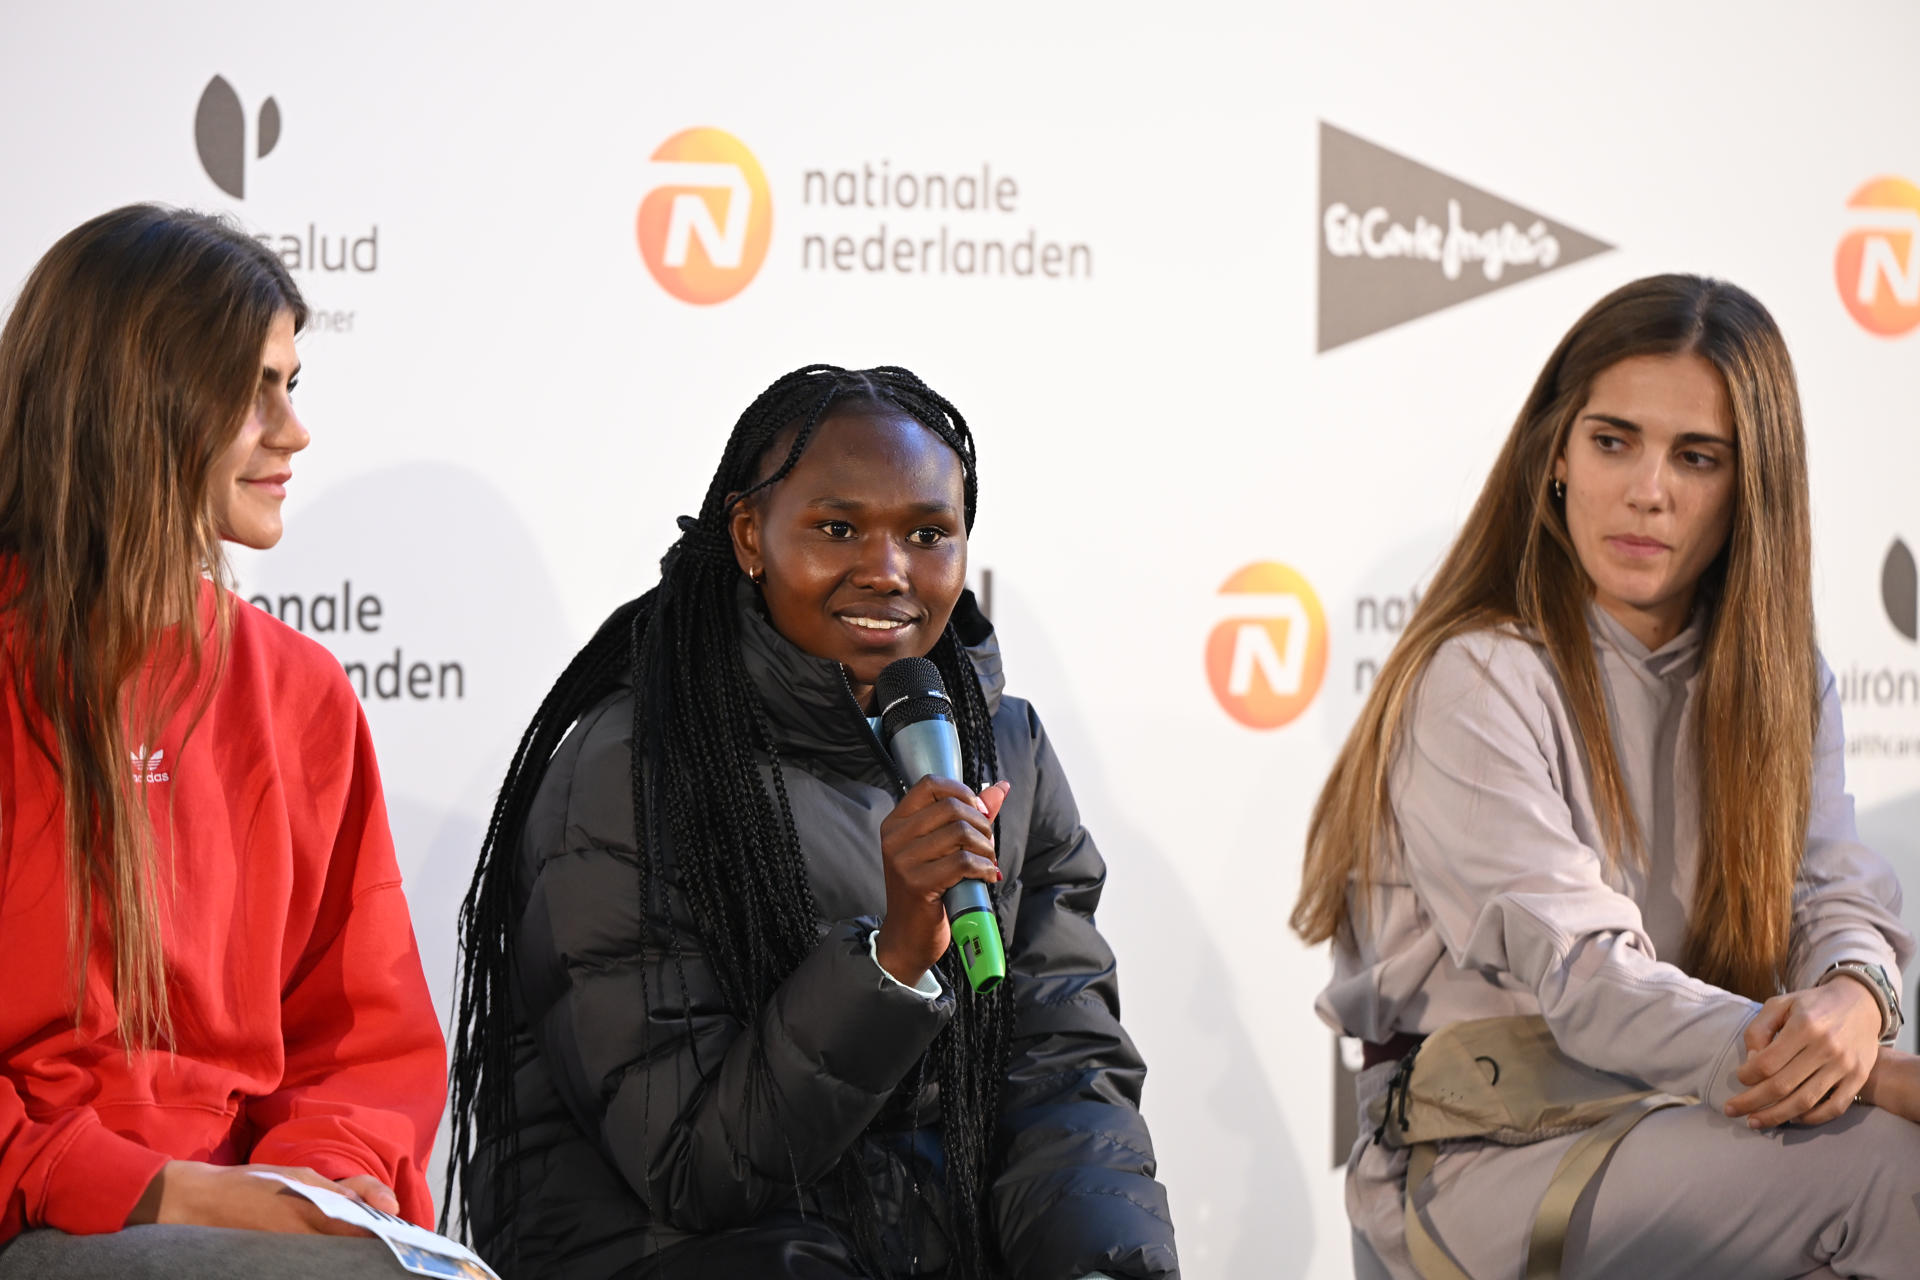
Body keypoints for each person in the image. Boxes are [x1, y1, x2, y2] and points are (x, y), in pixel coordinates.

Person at [444, 365, 1178, 1280]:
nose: (887, 571)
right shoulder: (630, 766)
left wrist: (1096, 1264)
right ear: (750, 537)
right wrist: (893, 961)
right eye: (838, 529)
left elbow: (1065, 1067)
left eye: (927, 534)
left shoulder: (1004, 750)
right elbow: (693, 1167)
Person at [1292, 273, 1920, 1279]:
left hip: (1689, 1117)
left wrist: (1856, 995)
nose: (1648, 489)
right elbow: (1587, 978)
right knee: (1894, 1170)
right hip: (1487, 1154)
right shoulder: (1480, 672)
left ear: (1749, 486)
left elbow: (1833, 889)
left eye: (1696, 456)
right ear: (1556, 454)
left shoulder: (1781, 679)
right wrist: (1867, 1076)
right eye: (1613, 439)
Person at [0, 205, 447, 1276]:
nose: (292, 431)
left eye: (291, 385)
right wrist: (148, 1185)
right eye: (253, 389)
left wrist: (318, 1175)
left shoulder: (302, 690)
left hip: (252, 1223)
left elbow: (363, 1044)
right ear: (130, 399)